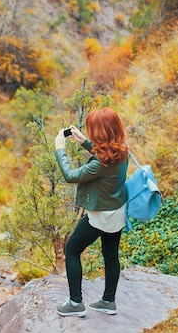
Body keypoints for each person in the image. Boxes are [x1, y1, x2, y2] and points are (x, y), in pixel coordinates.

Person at [54, 107, 129, 317]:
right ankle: (108, 301)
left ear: (101, 133)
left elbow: (70, 175)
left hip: (101, 216)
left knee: (72, 250)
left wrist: (60, 149)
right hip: (117, 212)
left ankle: (75, 302)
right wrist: (84, 142)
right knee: (111, 256)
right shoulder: (122, 150)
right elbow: (106, 156)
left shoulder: (100, 163)